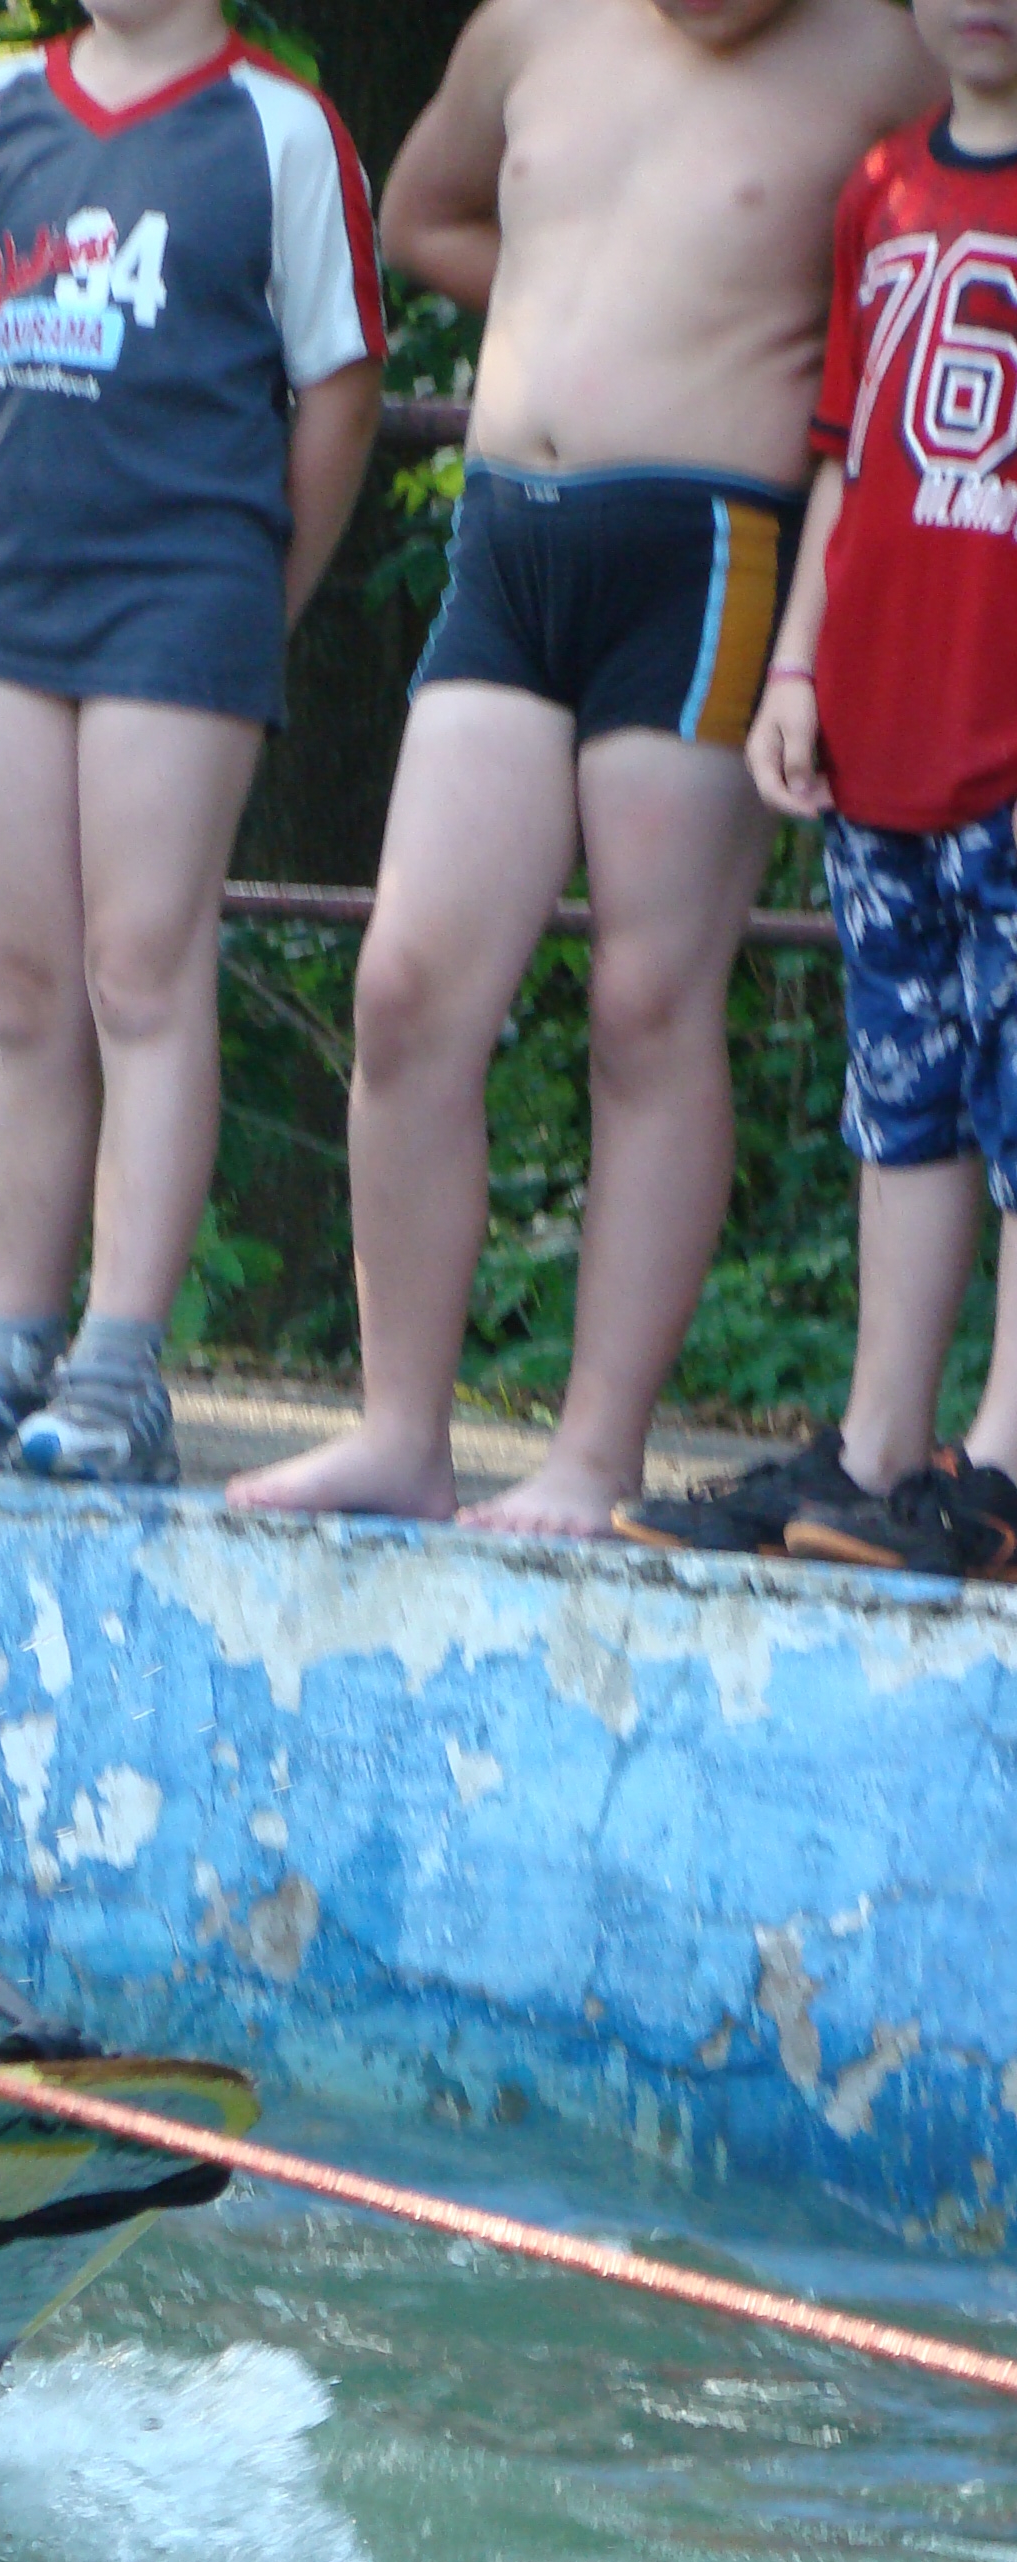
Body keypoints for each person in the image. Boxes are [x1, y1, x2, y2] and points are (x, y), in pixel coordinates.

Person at [226, 0, 943, 1537]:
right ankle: (401, 1432)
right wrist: (588, 307)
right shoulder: (528, 26)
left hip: (712, 545)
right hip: (509, 537)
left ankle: (596, 1454)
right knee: (407, 986)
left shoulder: (896, 53)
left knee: (646, 1003)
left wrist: (770, 347)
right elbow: (423, 214)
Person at [0, 0, 381, 1483]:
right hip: (9, 597)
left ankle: (120, 1367)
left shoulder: (280, 127)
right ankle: (8, 1346)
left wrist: (257, 594)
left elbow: (339, 387)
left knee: (141, 969)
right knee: (26, 983)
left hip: (185, 600)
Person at [619, 0, 1017, 1579]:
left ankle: (1000, 1467)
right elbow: (845, 454)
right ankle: (875, 1451)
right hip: (885, 728)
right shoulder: (882, 186)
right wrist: (795, 666)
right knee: (901, 1095)